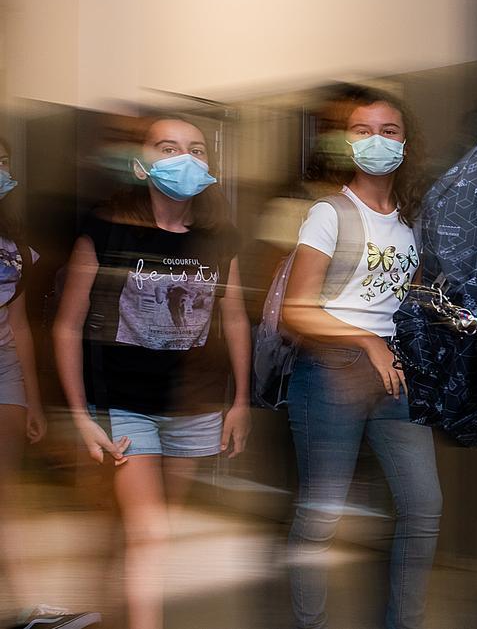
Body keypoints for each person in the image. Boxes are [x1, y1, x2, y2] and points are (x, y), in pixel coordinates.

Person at [53, 116, 252, 629]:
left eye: (197, 150)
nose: (185, 158)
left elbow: (233, 317)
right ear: (142, 163)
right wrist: (80, 414)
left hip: (193, 403)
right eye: (168, 147)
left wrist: (241, 401)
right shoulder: (106, 228)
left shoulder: (219, 236)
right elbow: (68, 324)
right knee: (151, 533)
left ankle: (114, 600)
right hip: (125, 401)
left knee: (154, 531)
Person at [282, 84, 440, 629]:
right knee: (321, 518)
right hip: (331, 371)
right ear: (345, 143)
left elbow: (410, 299)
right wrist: (366, 341)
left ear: (406, 142)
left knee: (423, 511)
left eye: (389, 131)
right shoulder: (329, 213)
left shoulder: (413, 220)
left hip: (396, 372)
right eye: (363, 131)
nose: (377, 142)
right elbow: (295, 309)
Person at [0, 138, 45, 621]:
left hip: (3, 371)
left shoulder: (16, 249)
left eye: (4, 161)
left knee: (4, 493)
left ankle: (23, 608)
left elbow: (19, 326)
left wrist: (33, 399)